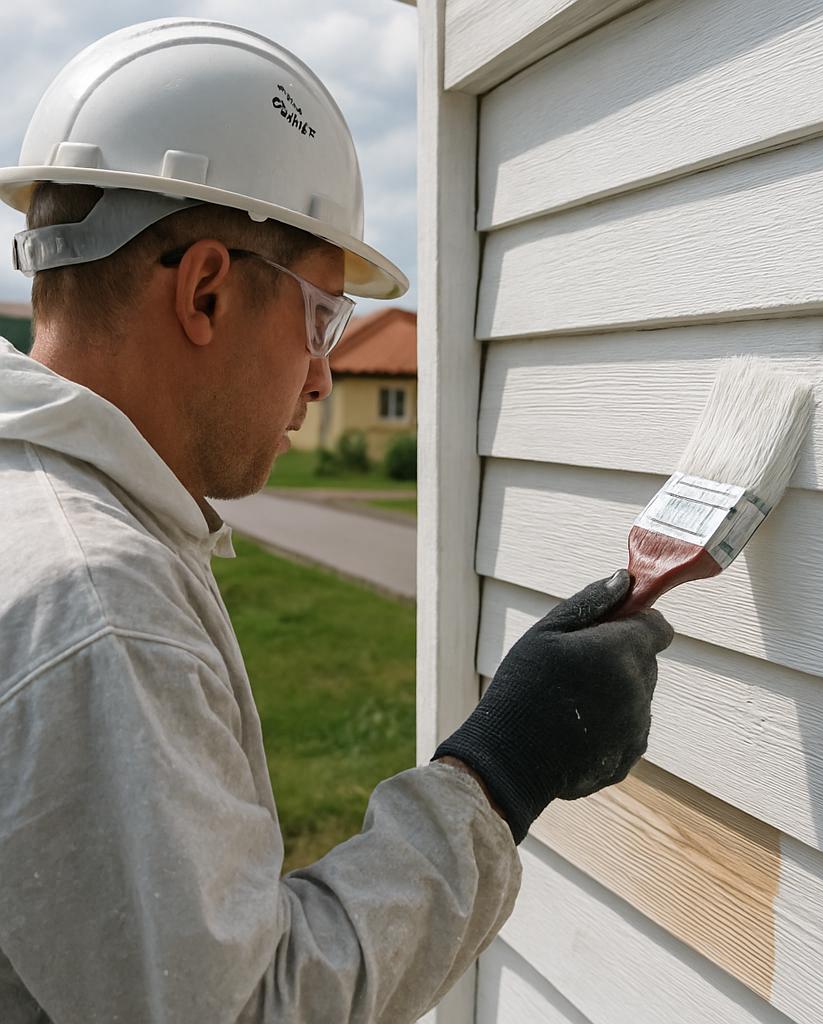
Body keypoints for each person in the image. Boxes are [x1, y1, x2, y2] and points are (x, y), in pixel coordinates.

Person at [0, 18, 674, 1024]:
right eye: (322, 317)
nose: (324, 374)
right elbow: (244, 1009)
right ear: (208, 289)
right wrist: (500, 772)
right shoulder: (101, 608)